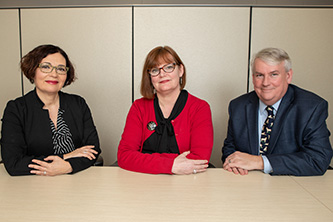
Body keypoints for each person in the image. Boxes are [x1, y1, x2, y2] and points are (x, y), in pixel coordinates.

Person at [222, 47, 333, 176]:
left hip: (294, 186)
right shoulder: (238, 106)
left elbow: (318, 159)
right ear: (253, 78)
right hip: (247, 181)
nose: (266, 83)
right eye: (259, 75)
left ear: (288, 76)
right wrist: (233, 163)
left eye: (273, 74)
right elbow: (229, 149)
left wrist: (260, 162)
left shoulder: (311, 107)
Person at [1, 44, 101, 176]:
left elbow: (93, 150)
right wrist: (66, 157)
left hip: (78, 179)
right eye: (46, 67)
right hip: (33, 184)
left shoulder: (78, 103)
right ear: (33, 70)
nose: (54, 74)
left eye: (61, 69)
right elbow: (14, 163)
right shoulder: (16, 109)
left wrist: (68, 167)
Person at [117, 46, 213, 174]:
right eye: (155, 70)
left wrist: (143, 159)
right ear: (150, 77)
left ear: (181, 70)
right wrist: (170, 165)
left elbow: (200, 159)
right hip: (142, 182)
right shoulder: (139, 107)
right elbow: (124, 156)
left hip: (187, 183)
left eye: (168, 67)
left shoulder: (199, 108)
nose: (162, 74)